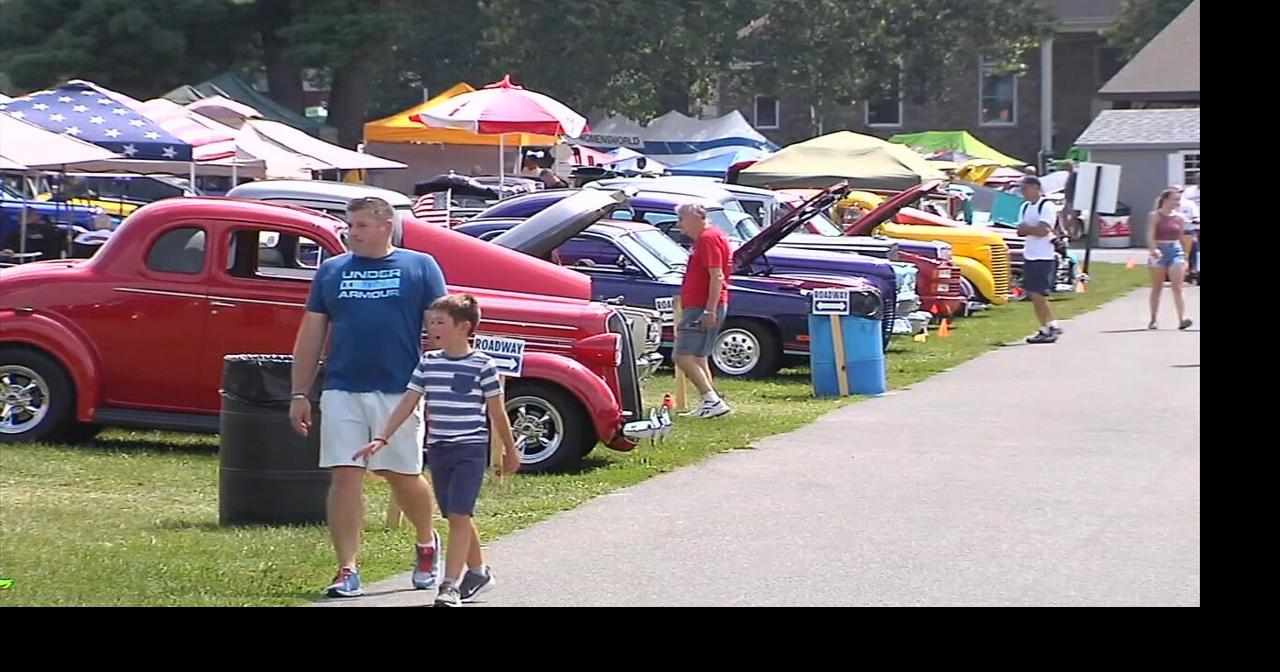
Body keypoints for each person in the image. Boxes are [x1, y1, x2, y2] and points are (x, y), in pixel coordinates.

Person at [290, 196, 448, 598]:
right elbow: (311, 333)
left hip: (399, 388)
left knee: (401, 475)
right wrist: (299, 392)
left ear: (386, 227)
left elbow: (439, 327)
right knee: (344, 474)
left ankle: (426, 542)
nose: (351, 233)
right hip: (342, 386)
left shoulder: (419, 266)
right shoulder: (331, 271)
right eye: (350, 224)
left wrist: (441, 376)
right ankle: (347, 568)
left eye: (360, 225)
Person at [354, 294, 520, 607]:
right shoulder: (429, 363)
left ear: (464, 327)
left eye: (440, 322)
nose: (432, 328)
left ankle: (449, 586)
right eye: (430, 322)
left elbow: (497, 412)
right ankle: (479, 572)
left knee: (459, 515)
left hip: (469, 448)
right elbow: (408, 401)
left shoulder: (482, 365)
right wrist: (382, 437)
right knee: (455, 514)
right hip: (440, 448)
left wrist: (510, 451)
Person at [673, 202, 732, 418]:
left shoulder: (708, 238)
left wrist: (709, 310)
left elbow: (717, 276)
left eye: (682, 219)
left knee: (682, 356)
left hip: (702, 306)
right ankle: (711, 402)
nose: (680, 225)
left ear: (696, 217)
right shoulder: (709, 238)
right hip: (703, 304)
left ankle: (711, 399)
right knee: (699, 356)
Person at [1017, 176, 1062, 344]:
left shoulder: (1046, 206)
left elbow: (1044, 229)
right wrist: (1030, 229)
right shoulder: (1025, 207)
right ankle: (1051, 324)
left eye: (1025, 188)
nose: (1023, 192)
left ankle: (1045, 329)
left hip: (1044, 255)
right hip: (1030, 254)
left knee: (1038, 294)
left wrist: (1029, 229)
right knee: (1034, 293)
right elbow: (1020, 230)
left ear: (1036, 188)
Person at [1146, 188, 1193, 330]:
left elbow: (1181, 237)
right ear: (1165, 200)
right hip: (1159, 250)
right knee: (1157, 286)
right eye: (1174, 199)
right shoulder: (1155, 216)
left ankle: (1182, 318)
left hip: (1175, 250)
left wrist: (1185, 255)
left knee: (1177, 287)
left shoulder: (1179, 218)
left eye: (1178, 200)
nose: (1177, 203)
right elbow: (1150, 234)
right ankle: (1153, 319)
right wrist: (1153, 249)